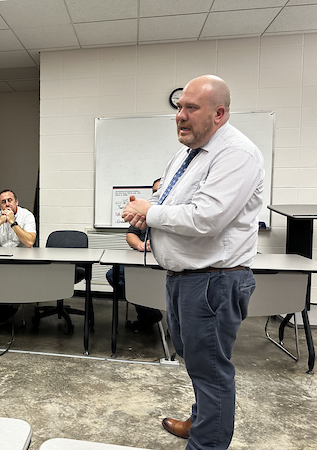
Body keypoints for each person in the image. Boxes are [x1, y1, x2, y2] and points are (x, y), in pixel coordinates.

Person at [122, 75, 263, 450]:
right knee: (195, 360)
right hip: (186, 279)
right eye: (179, 108)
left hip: (213, 281)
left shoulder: (236, 154)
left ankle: (206, 443)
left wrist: (150, 212)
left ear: (218, 113)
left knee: (211, 370)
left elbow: (206, 218)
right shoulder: (188, 154)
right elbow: (170, 205)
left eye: (190, 108)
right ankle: (202, 422)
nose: (179, 116)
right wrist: (146, 215)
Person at [106, 178, 163, 332]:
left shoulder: (173, 213)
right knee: (114, 275)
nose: (156, 194)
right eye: (154, 192)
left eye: (159, 191)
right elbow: (130, 234)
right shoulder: (145, 212)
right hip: (141, 260)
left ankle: (148, 312)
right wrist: (140, 244)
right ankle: (148, 311)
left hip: (165, 263)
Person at [0, 189, 37, 324]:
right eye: (3, 202)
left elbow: (29, 242)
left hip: (23, 259)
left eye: (10, 201)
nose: (7, 204)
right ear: (0, 205)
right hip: (1, 260)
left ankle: (13, 304)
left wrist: (13, 223)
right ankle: (3, 304)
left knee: (14, 277)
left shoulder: (27, 215)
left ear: (16, 202)